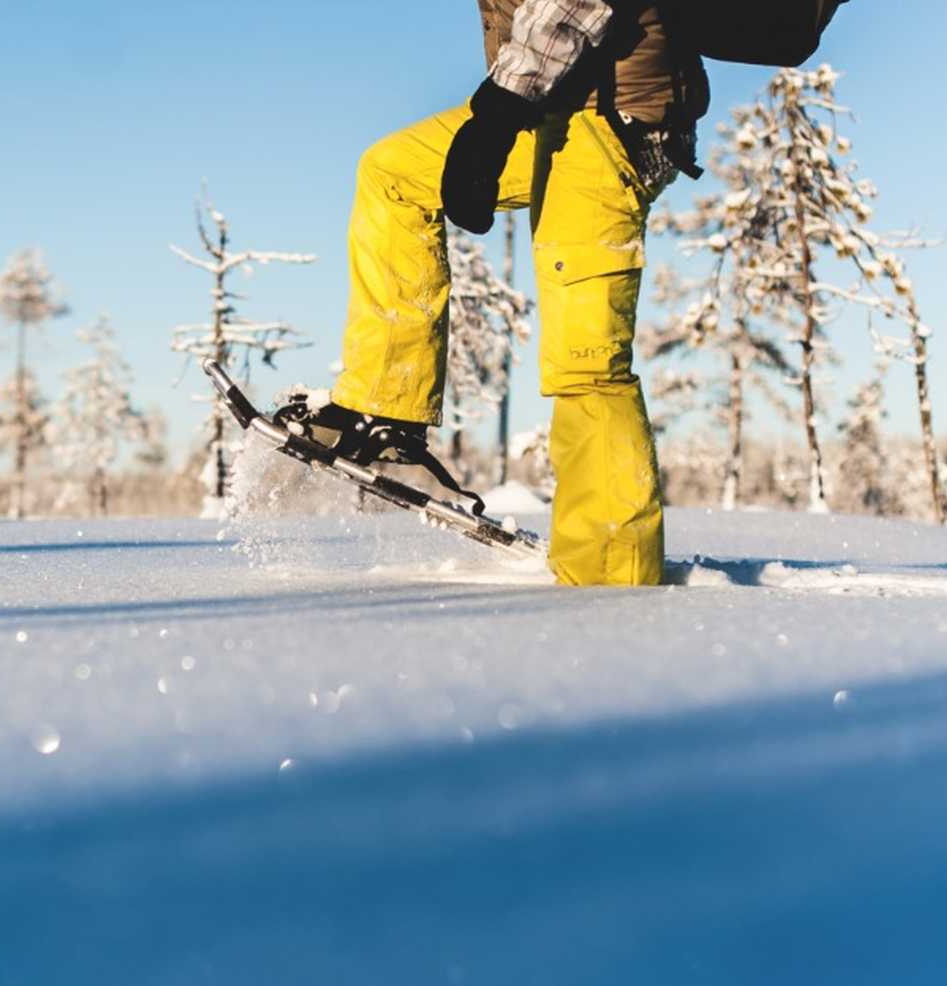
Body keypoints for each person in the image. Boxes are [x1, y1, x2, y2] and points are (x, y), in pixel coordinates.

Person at [293, 0, 708, 587]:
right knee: (395, 174)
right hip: (555, 105)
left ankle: (613, 581)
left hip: (612, 120)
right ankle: (387, 403)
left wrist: (498, 114)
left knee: (586, 363)